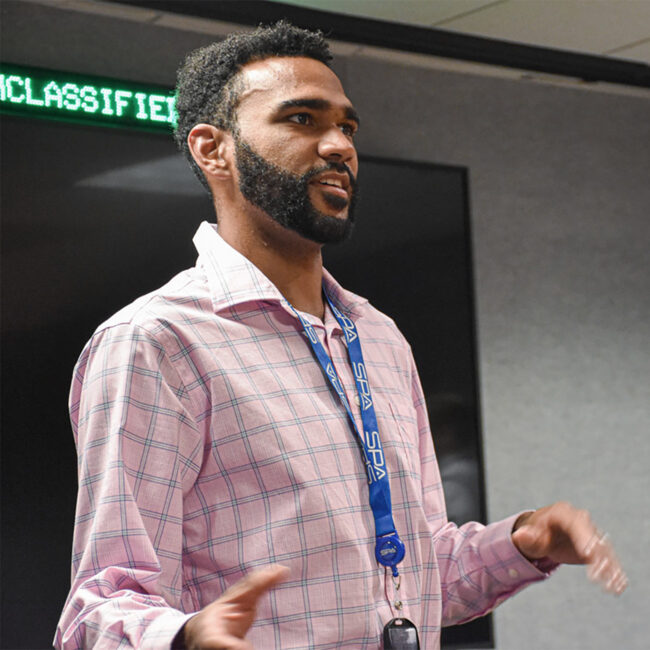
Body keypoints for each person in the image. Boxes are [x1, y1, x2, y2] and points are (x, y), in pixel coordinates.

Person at [55, 21, 627, 650]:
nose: (339, 146)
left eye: (347, 127)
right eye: (302, 119)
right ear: (211, 149)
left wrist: (523, 542)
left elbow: (413, 575)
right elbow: (102, 605)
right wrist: (185, 637)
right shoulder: (157, 341)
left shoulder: (378, 338)